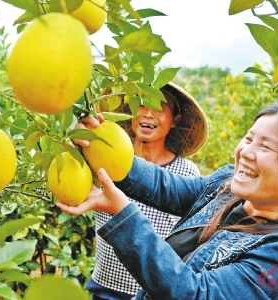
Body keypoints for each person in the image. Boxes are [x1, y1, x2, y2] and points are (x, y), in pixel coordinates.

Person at [59, 102, 278, 300]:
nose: (246, 152)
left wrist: (123, 214)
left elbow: (196, 293)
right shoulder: (228, 188)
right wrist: (106, 151)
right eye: (248, 139)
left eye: (266, 146)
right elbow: (167, 187)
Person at [86, 82, 208, 300]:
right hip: (105, 287)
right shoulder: (103, 157)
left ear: (174, 121)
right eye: (141, 105)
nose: (149, 114)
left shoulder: (186, 174)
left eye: (160, 107)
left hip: (151, 293)